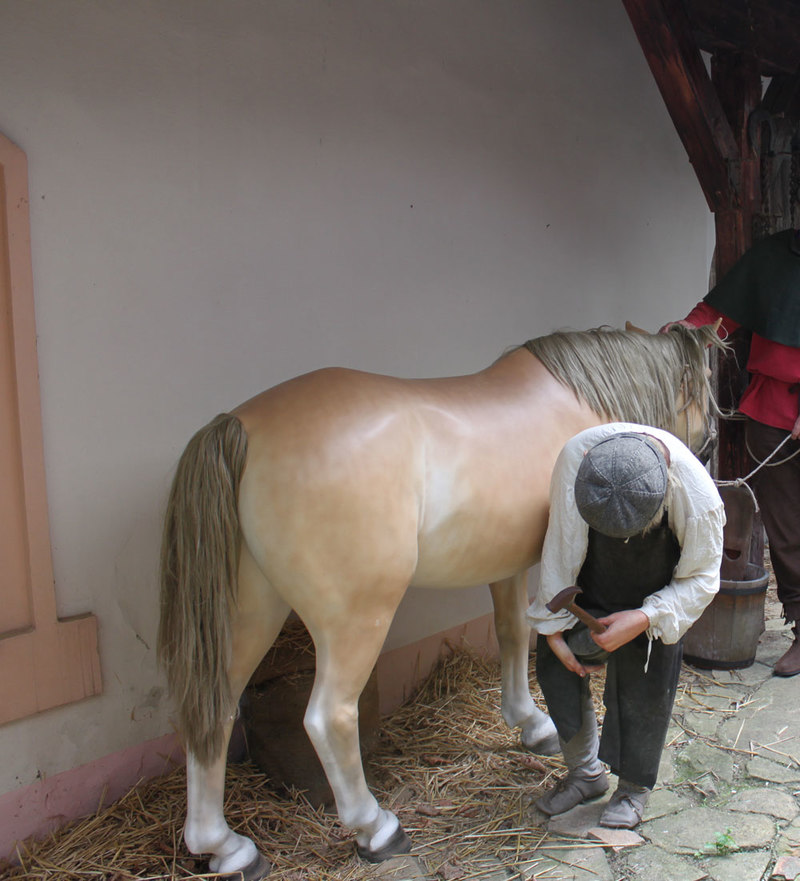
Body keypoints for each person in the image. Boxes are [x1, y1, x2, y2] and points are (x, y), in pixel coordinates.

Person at [527, 425, 724, 828]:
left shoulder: (697, 496)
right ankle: (585, 774)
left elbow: (703, 577)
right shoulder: (575, 459)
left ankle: (634, 787)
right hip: (593, 583)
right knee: (553, 662)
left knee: (646, 679)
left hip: (654, 593)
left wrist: (645, 617)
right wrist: (553, 631)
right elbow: (562, 544)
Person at [663, 228, 800, 676]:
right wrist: (685, 333)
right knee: (787, 531)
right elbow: (720, 314)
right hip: (774, 411)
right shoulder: (774, 254)